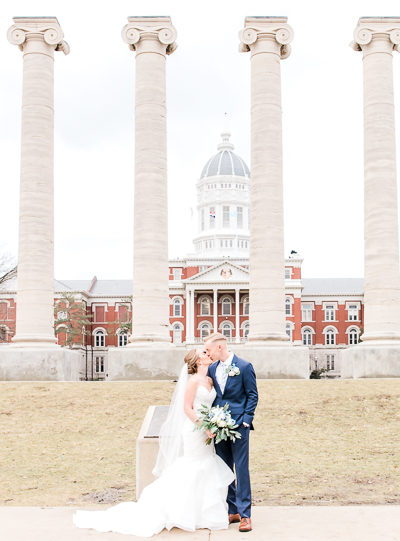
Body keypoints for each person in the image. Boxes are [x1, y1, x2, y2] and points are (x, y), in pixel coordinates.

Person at [72, 349, 235, 537]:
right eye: (204, 353)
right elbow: (187, 408)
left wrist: (215, 422)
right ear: (198, 361)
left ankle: (204, 514)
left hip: (207, 431)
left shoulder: (210, 380)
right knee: (193, 466)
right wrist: (203, 426)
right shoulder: (192, 382)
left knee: (206, 465)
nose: (208, 354)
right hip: (194, 430)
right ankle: (177, 510)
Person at [204, 332, 258, 533]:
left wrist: (246, 421)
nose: (207, 354)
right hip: (219, 427)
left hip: (239, 427)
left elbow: (252, 395)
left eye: (208, 350)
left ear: (220, 347)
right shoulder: (211, 368)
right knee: (225, 470)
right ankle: (233, 510)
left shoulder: (244, 366)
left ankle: (246, 515)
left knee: (241, 470)